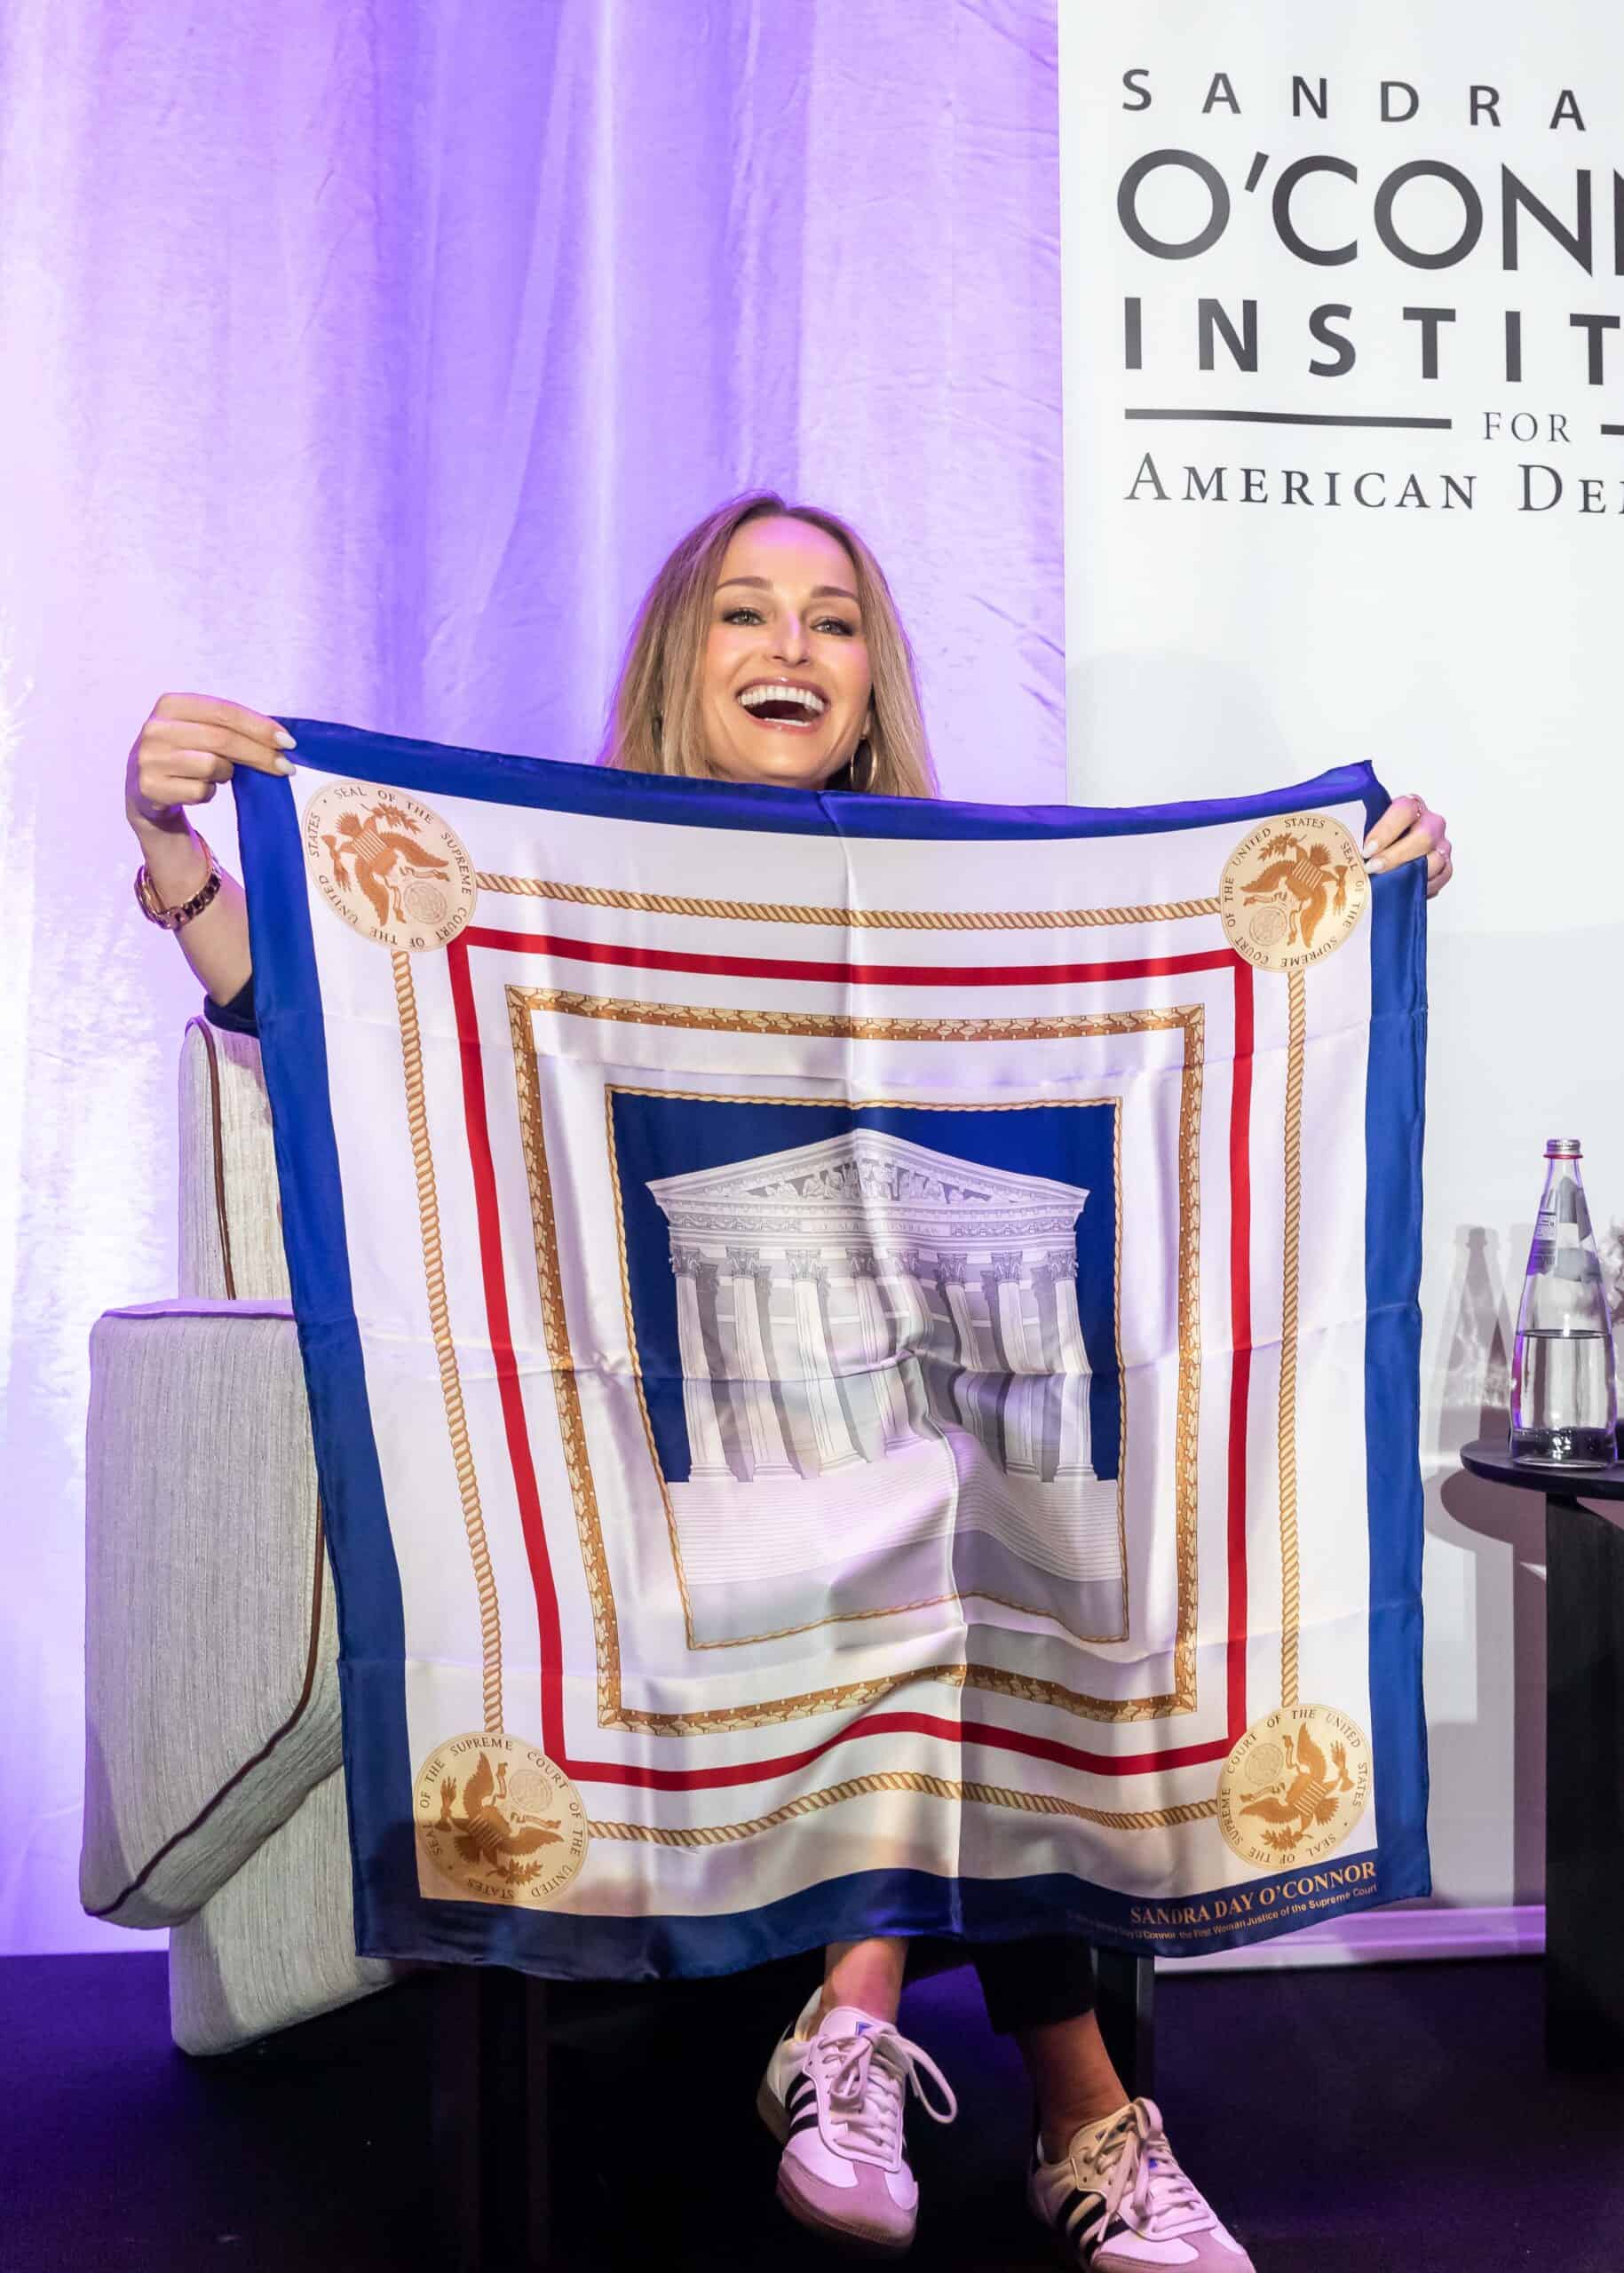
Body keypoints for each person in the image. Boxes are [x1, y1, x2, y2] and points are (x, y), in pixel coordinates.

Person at [125, 494, 1453, 2267]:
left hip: (924, 1473)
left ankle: (860, 2024)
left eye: (832, 621)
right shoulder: (551, 885)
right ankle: (1076, 2109)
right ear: (682, 656)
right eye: (747, 612)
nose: (791, 647)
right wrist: (191, 860)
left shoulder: (968, 902)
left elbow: (1187, 1051)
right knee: (931, 1507)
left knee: (965, 1497)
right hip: (644, 1485)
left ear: (873, 674)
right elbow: (338, 1058)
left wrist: (1370, 902)